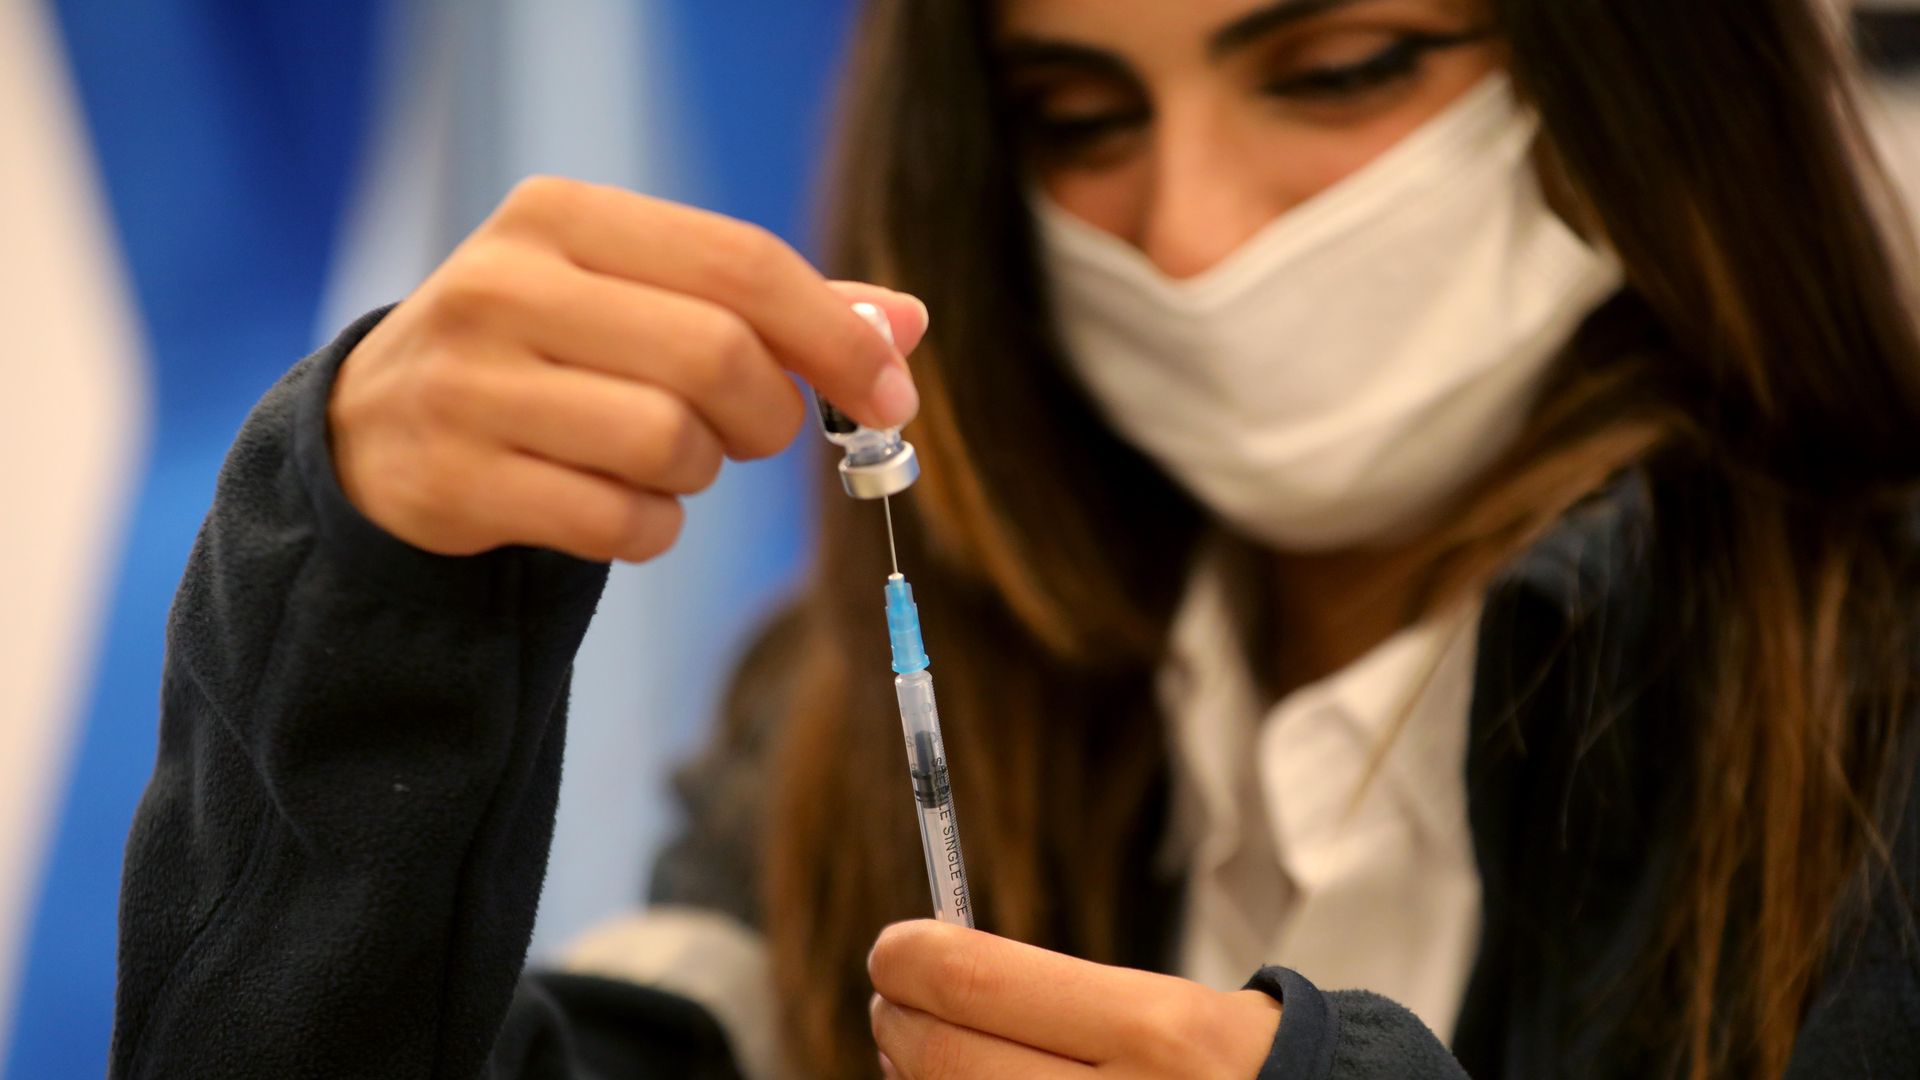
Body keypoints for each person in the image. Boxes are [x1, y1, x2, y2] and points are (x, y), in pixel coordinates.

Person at [112, 0, 1920, 1077]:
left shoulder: (1876, 711)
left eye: (1342, 66)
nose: (1193, 240)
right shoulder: (841, 726)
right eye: (1077, 115)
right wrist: (353, 575)